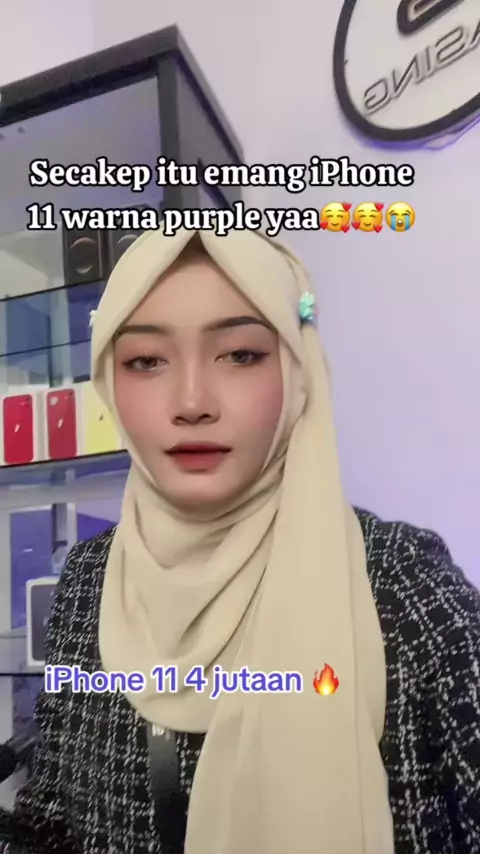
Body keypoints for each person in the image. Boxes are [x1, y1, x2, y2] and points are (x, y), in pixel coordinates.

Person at [4, 226, 480, 854]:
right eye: (146, 361)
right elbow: (50, 824)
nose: (192, 402)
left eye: (240, 355)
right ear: (108, 386)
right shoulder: (90, 579)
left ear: (297, 371)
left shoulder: (402, 582)